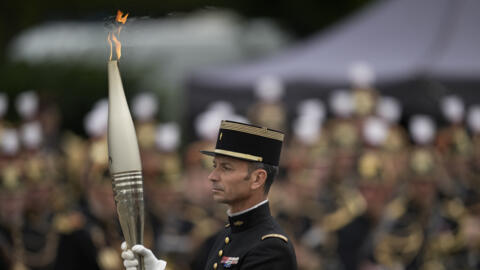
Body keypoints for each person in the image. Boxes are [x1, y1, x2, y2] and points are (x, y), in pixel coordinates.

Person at [121, 120, 297, 270]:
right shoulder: (228, 234)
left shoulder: (270, 247)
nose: (212, 177)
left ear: (257, 179)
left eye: (226, 168)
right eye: (215, 166)